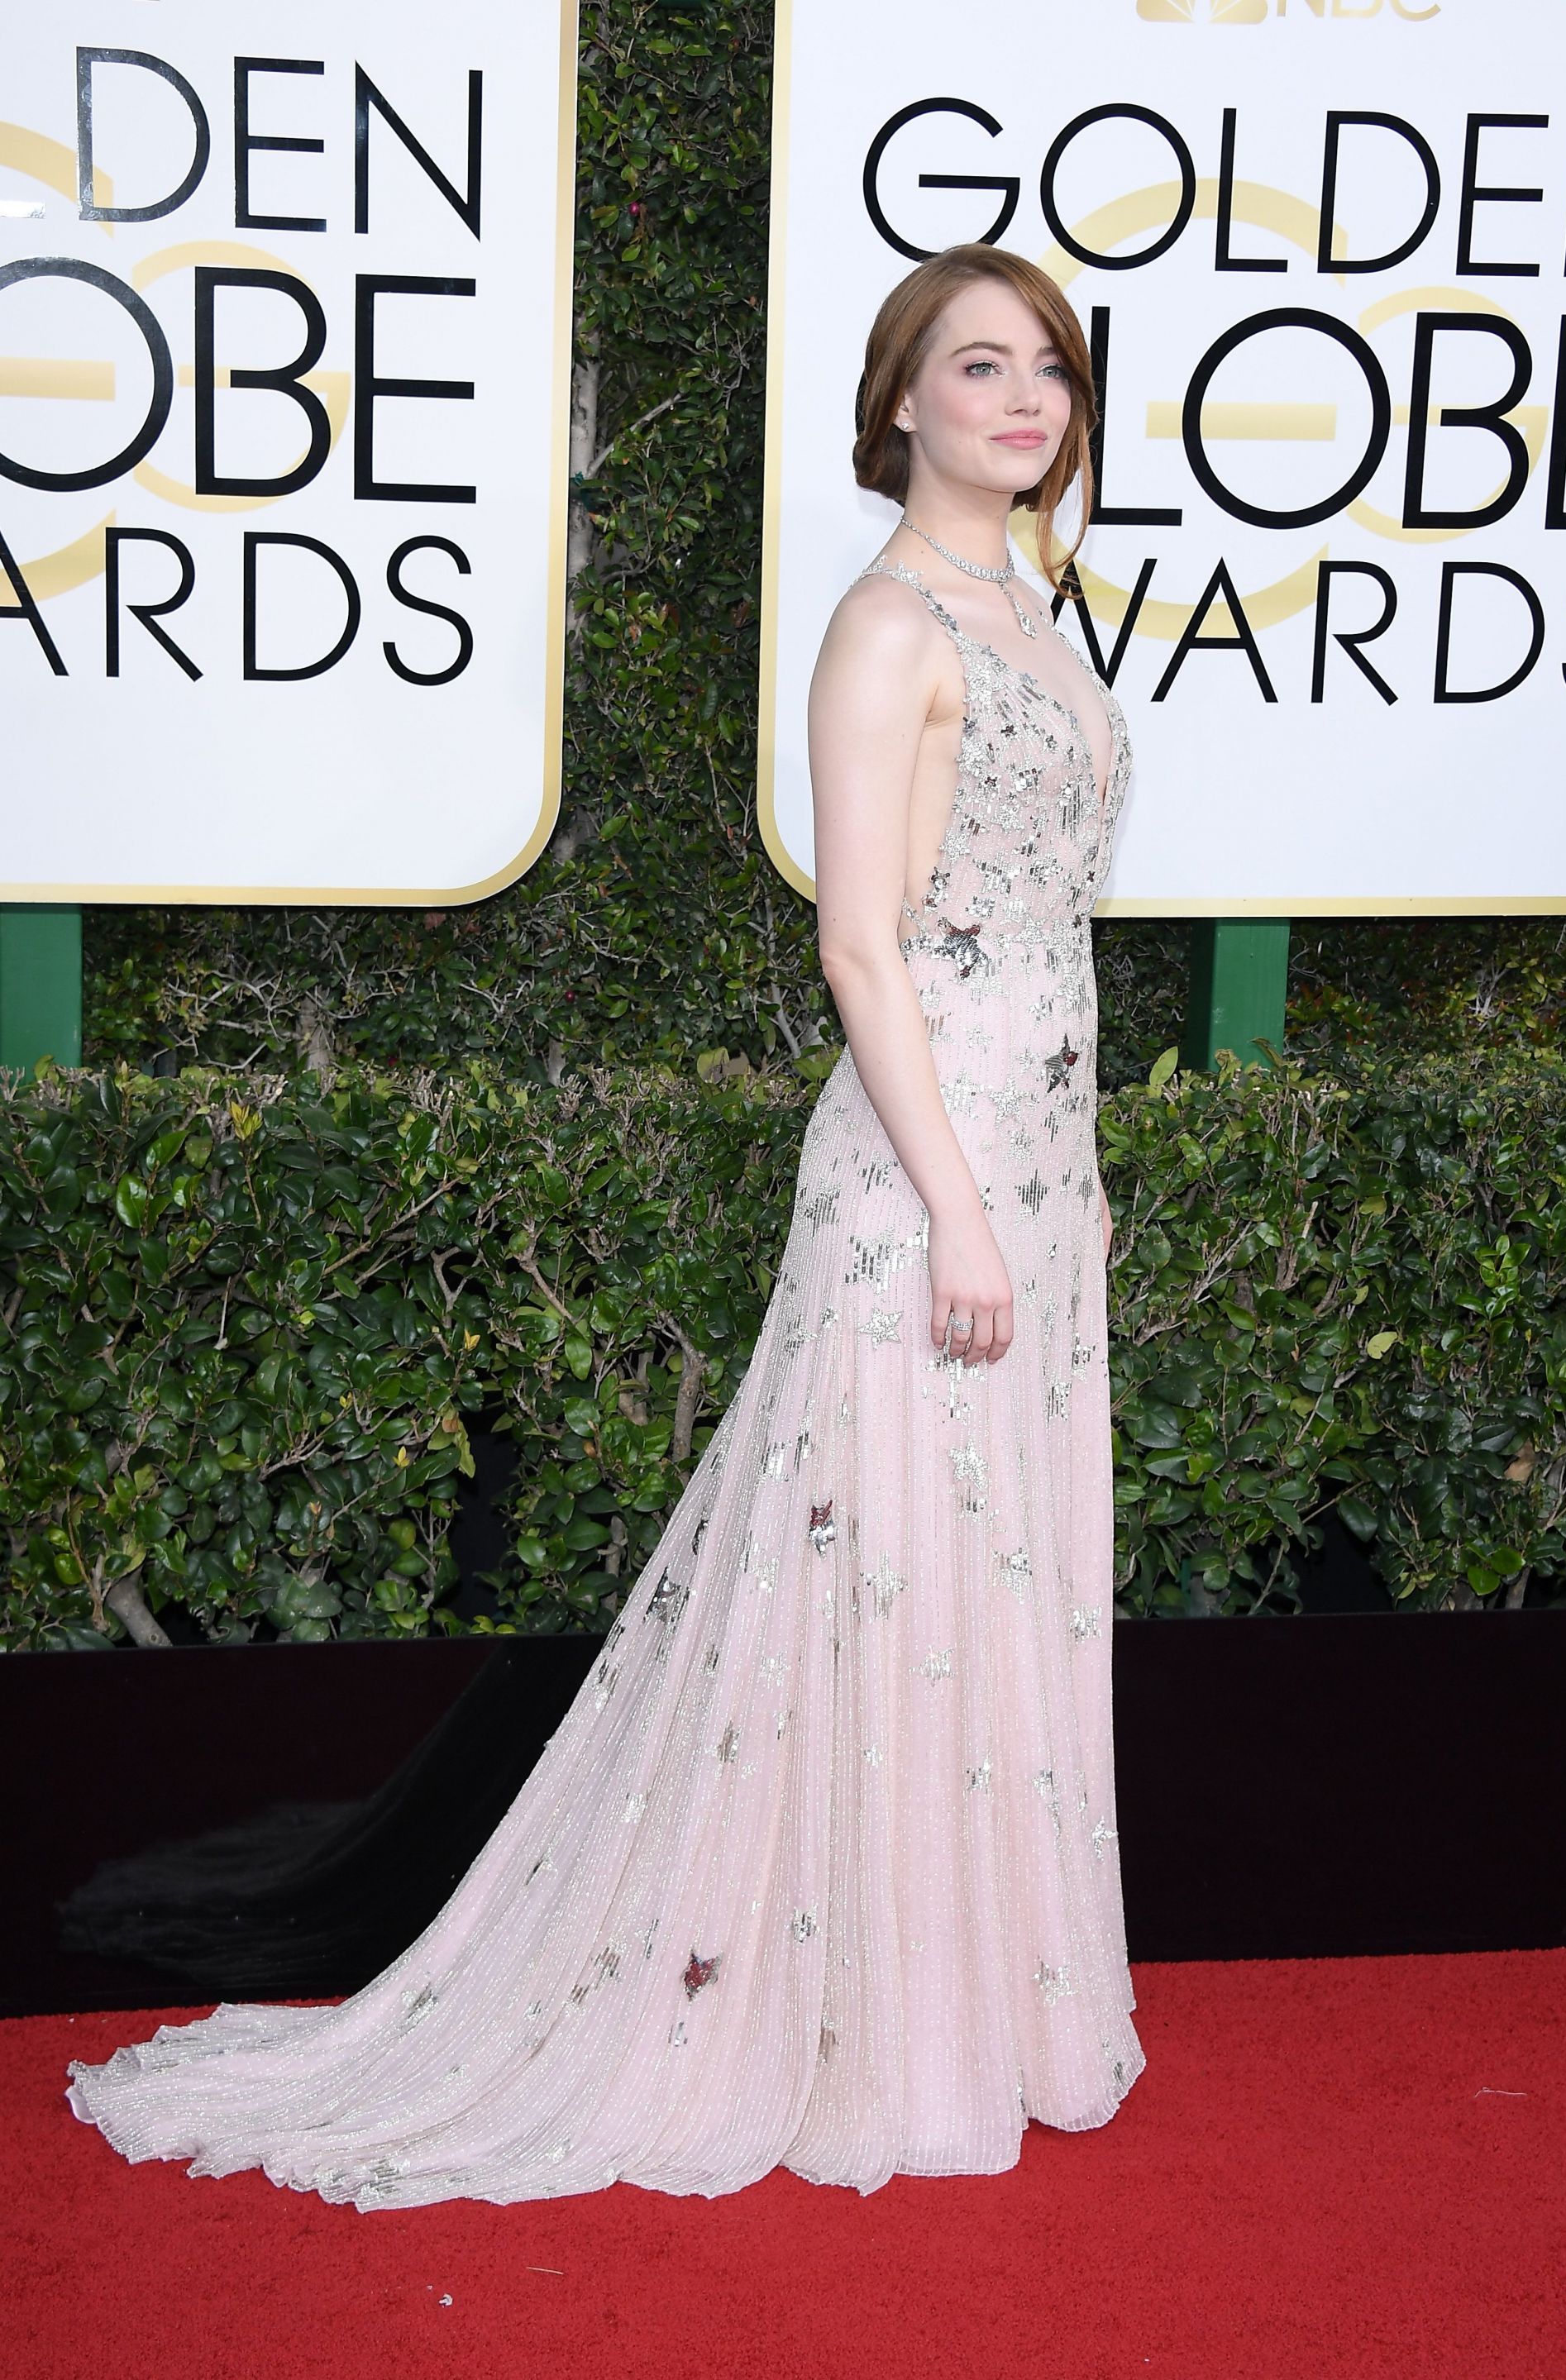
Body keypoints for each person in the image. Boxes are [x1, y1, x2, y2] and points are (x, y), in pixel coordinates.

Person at [65, 242, 1143, 2206]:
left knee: (987, 1596)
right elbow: (861, 947)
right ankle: (851, 2027)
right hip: (933, 1188)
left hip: (1036, 1174)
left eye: (1050, 368)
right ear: (901, 400)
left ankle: (963, 2001)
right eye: (980, 365)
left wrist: (1052, 1197)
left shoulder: (1036, 606)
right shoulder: (890, 627)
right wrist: (963, 1213)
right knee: (887, 1590)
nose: (1024, 400)